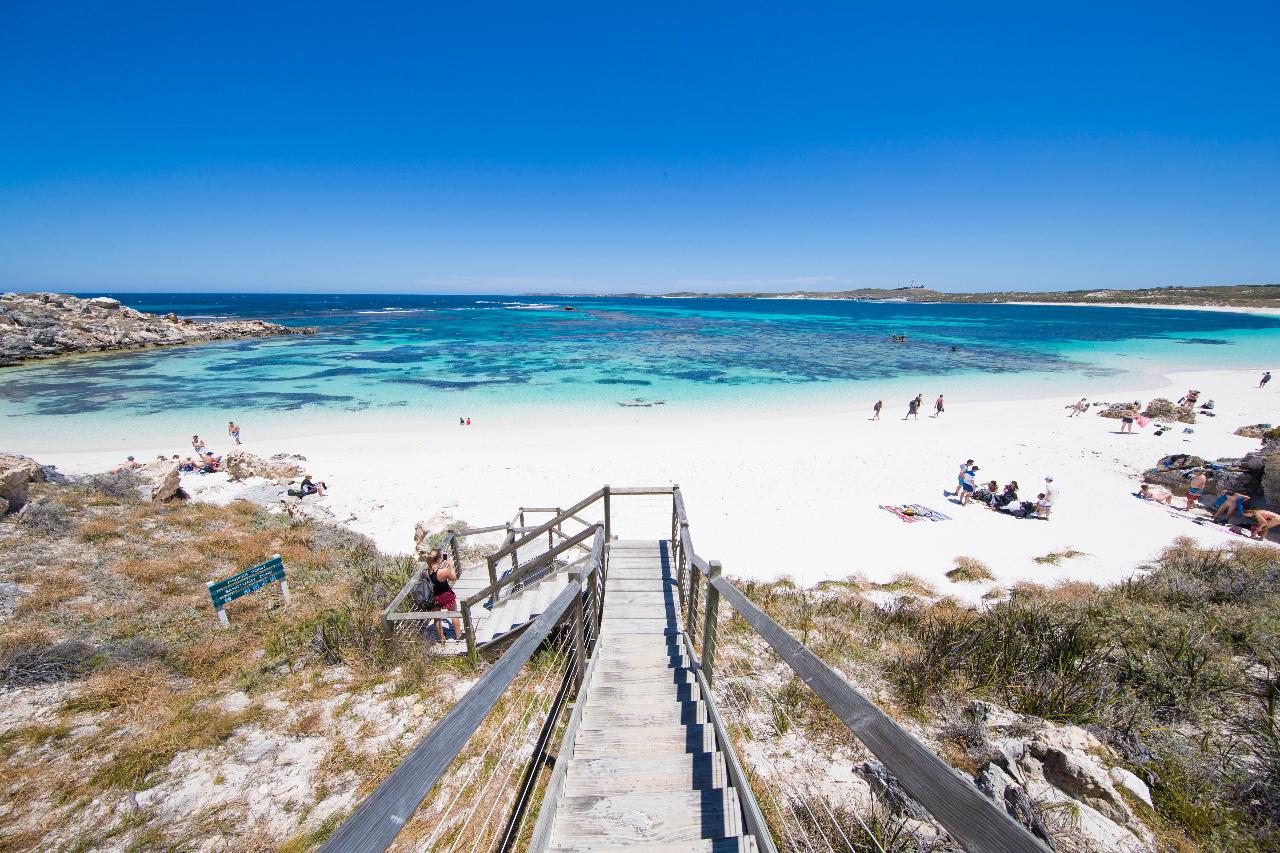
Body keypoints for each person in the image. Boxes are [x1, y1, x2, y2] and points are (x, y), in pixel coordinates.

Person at [420, 548, 463, 643]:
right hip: (446, 595)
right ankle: (459, 636)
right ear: (439, 559)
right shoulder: (443, 571)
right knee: (454, 614)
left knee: (437, 618)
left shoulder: (424, 572)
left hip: (433, 598)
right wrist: (450, 566)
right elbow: (454, 578)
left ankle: (442, 639)